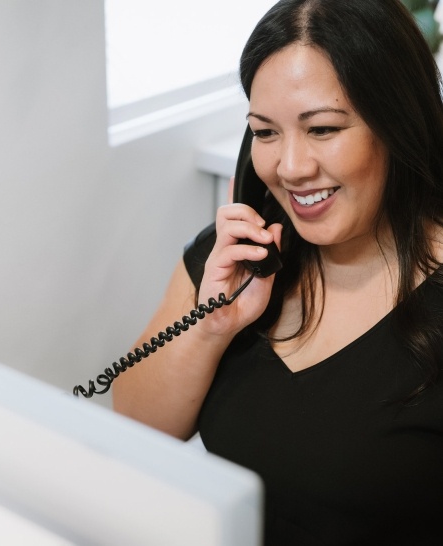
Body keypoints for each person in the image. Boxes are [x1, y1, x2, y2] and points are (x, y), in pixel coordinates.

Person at [113, 0, 443, 543]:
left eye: (323, 129)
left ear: (398, 126)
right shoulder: (234, 259)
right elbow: (133, 431)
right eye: (265, 133)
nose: (290, 167)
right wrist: (210, 327)